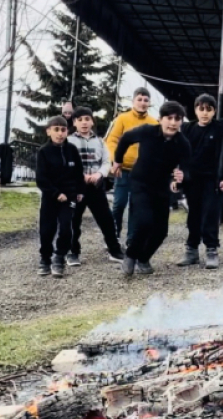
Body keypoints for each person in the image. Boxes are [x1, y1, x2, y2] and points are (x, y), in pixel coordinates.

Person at [112, 101, 191, 276]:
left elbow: (186, 168)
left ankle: (144, 258)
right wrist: (118, 160)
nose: (172, 122)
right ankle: (131, 256)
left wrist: (182, 177)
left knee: (161, 231)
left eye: (177, 119)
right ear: (160, 119)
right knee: (144, 221)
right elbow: (125, 139)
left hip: (161, 187)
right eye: (169, 118)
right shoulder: (147, 131)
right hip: (140, 183)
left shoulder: (182, 143)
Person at [177, 94, 223, 269]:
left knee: (211, 215)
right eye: (201, 109)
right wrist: (178, 175)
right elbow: (178, 153)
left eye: (209, 109)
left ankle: (211, 250)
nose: (204, 113)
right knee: (193, 215)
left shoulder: (221, 128)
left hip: (213, 181)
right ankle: (191, 250)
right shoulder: (187, 129)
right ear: (195, 110)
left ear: (214, 111)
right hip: (192, 181)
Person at [67, 106, 124, 265]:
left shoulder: (100, 142)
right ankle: (72, 253)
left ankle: (114, 251)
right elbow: (66, 163)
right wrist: (80, 176)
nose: (84, 123)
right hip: (76, 188)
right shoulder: (69, 141)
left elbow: (106, 162)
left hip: (96, 187)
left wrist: (99, 174)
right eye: (80, 120)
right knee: (73, 220)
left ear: (92, 121)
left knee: (106, 219)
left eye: (87, 119)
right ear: (74, 123)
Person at [105, 87, 158, 240]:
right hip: (122, 170)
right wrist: (115, 160)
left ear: (149, 103)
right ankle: (113, 236)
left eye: (146, 100)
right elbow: (111, 140)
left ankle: (132, 239)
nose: (142, 103)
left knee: (136, 207)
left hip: (142, 173)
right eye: (139, 99)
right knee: (119, 204)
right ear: (133, 101)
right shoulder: (122, 119)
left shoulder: (154, 123)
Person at [35, 116, 84, 277]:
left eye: (63, 130)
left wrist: (79, 191)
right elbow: (41, 179)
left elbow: (78, 173)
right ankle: (45, 259)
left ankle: (59, 257)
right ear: (49, 131)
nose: (60, 133)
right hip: (51, 197)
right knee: (47, 230)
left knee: (66, 229)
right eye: (56, 129)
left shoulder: (72, 150)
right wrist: (56, 193)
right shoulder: (44, 152)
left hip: (68, 197)